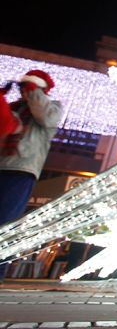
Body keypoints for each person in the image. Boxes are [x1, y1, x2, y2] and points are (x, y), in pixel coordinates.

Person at [0, 70, 63, 282]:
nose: (24, 92)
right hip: (2, 165)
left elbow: (44, 114)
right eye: (23, 88)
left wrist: (33, 91)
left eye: (30, 89)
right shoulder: (14, 109)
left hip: (22, 169)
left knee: (5, 224)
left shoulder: (52, 108)